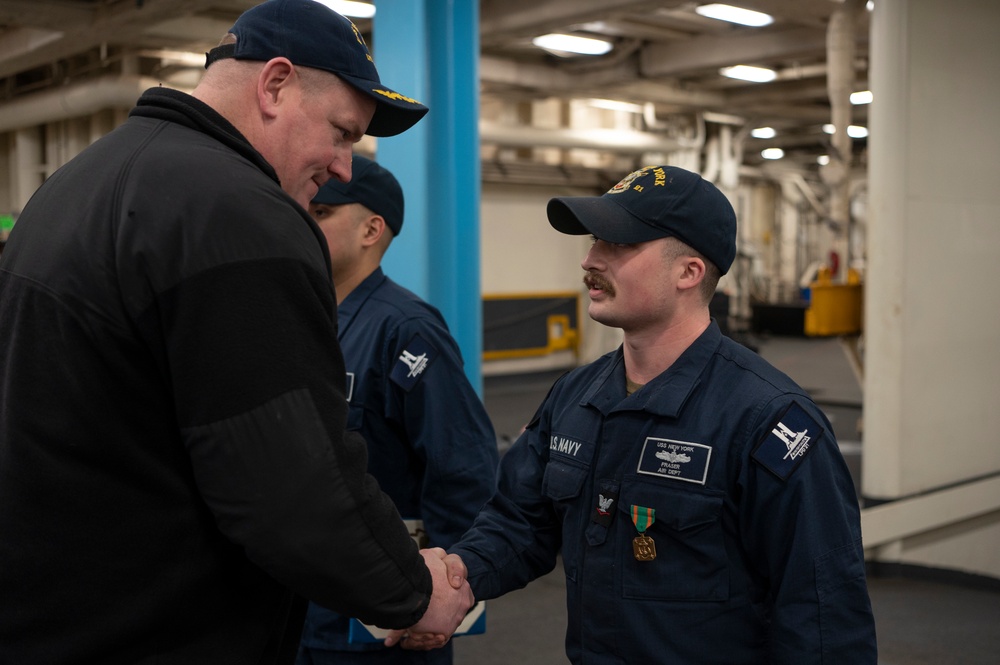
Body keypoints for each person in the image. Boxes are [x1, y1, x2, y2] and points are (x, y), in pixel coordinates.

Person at [0, 1, 472, 663]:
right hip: (156, 630)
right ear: (274, 84)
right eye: (340, 132)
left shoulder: (78, 183)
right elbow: (291, 487)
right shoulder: (239, 212)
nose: (342, 166)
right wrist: (411, 590)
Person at [405, 165, 879, 663]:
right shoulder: (575, 395)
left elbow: (823, 614)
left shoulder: (769, 422)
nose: (590, 259)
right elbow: (521, 523)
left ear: (689, 272)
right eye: (594, 242)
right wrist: (459, 577)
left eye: (619, 244)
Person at [295, 156, 499, 665]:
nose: (302, 221)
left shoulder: (405, 329)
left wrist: (448, 603)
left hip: (381, 620)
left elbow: (463, 470)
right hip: (301, 604)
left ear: (371, 229)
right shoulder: (301, 321)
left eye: (320, 213)